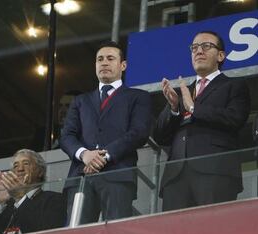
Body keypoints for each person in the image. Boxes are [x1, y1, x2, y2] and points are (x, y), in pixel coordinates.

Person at [153, 31, 250, 211]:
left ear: (221, 55)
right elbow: (159, 137)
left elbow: (235, 119)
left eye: (206, 46)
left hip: (215, 172)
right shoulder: (183, 92)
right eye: (194, 48)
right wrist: (174, 108)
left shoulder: (234, 85)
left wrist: (194, 108)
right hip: (176, 178)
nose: (199, 51)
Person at [60, 41, 152, 224]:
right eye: (99, 59)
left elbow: (139, 132)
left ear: (123, 65)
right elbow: (67, 136)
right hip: (81, 176)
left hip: (118, 174)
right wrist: (84, 154)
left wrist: (104, 155)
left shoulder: (138, 97)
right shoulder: (80, 100)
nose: (104, 63)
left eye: (110, 58)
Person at [0, 149, 66, 234]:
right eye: (15, 166)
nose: (20, 169)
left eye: (26, 163)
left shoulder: (53, 200)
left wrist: (20, 197)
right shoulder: (5, 205)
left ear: (40, 172)